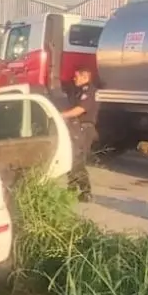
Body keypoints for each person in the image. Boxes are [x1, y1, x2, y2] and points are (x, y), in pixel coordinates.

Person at [62, 66, 101, 201]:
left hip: (84, 129)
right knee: (71, 158)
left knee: (77, 160)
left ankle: (86, 191)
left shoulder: (88, 91)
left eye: (77, 76)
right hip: (77, 128)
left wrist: (62, 115)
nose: (74, 78)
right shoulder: (77, 90)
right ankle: (72, 188)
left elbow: (80, 109)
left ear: (85, 77)